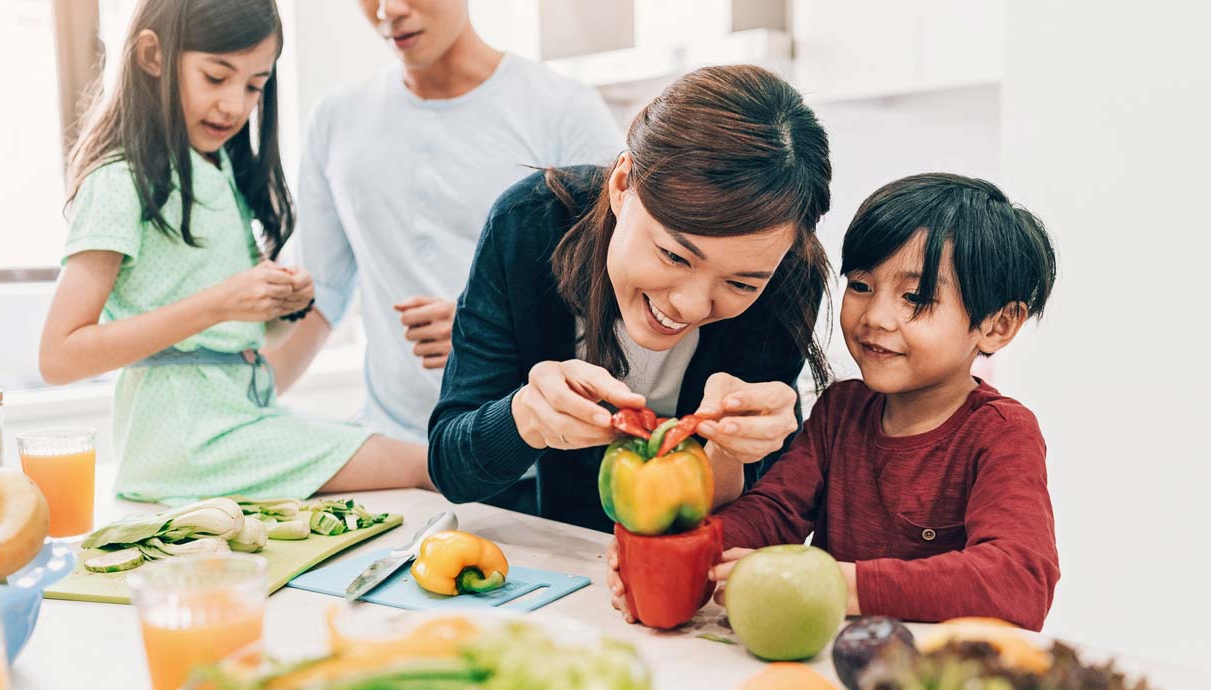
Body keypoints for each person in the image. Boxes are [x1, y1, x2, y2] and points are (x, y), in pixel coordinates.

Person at [612, 173, 1060, 631]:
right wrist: (680, 552)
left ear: (999, 325)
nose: (876, 318)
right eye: (862, 286)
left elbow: (1020, 580)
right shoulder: (841, 409)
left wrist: (834, 583)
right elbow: (774, 511)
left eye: (915, 297)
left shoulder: (1003, 432)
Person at [38, 0, 432, 504]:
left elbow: (226, 329)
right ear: (153, 56)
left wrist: (280, 305)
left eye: (253, 86)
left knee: (416, 463)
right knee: (423, 463)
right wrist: (222, 301)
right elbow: (58, 357)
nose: (234, 105)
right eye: (216, 77)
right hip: (186, 441)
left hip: (237, 420)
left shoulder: (216, 168)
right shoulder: (120, 180)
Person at [429, 64, 834, 531]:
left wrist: (735, 449)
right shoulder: (528, 226)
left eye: (741, 284)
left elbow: (753, 513)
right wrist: (525, 415)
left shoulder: (787, 277)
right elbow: (451, 469)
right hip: (565, 552)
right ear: (622, 184)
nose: (691, 305)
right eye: (674, 255)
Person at [284, 0, 622, 448]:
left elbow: (615, 296)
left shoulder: (564, 109)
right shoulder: (335, 119)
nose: (389, 10)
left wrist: (489, 334)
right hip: (396, 449)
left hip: (528, 453)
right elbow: (320, 296)